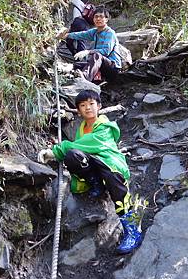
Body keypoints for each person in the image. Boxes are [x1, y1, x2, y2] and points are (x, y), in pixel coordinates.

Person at [37, 89, 143, 255]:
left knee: (113, 178)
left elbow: (88, 144)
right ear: (78, 111)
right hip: (96, 168)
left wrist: (57, 150)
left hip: (111, 166)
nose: (88, 108)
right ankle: (95, 184)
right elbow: (79, 149)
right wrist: (63, 151)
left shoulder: (105, 126)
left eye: (91, 104)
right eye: (83, 105)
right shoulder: (81, 129)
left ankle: (132, 231)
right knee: (73, 156)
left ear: (99, 106)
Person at [58, 7, 121, 83]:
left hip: (113, 67)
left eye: (101, 17)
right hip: (101, 66)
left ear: (106, 19)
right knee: (78, 64)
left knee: (96, 56)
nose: (98, 19)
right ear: (93, 19)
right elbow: (81, 35)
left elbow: (106, 51)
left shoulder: (110, 33)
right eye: (96, 17)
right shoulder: (94, 32)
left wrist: (88, 52)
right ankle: (66, 71)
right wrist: (67, 35)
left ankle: (85, 78)